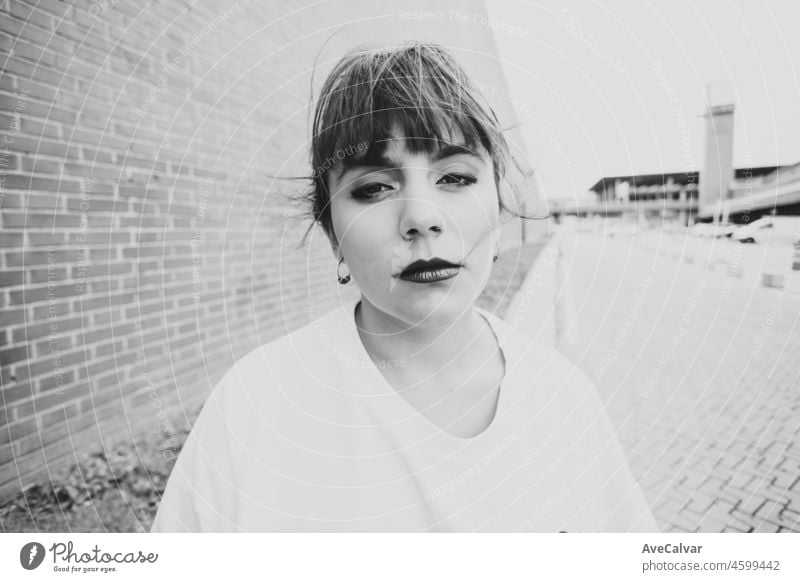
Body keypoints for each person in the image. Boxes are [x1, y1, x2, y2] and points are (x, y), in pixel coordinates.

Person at [151, 41, 658, 533]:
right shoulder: (256, 409)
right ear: (333, 236)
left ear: (499, 210)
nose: (421, 216)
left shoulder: (563, 401)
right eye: (374, 188)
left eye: (455, 178)